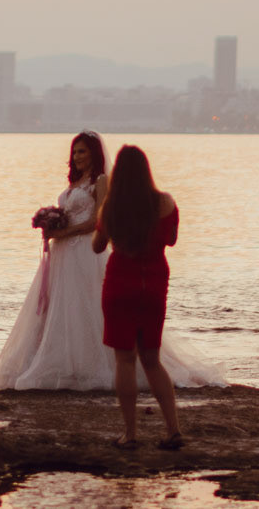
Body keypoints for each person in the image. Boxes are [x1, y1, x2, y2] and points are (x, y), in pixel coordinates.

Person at [0, 134, 221, 396]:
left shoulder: (101, 181)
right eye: (74, 152)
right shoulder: (75, 182)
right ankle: (65, 362)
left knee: (86, 307)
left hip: (85, 253)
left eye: (82, 152)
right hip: (63, 254)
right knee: (63, 308)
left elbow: (95, 223)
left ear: (94, 154)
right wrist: (54, 222)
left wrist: (62, 233)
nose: (77, 157)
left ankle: (95, 367)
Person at [92, 144, 186, 450]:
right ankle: (173, 430)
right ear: (147, 171)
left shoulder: (111, 207)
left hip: (120, 283)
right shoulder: (166, 203)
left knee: (125, 360)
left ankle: (130, 434)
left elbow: (97, 245)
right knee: (152, 359)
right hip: (154, 284)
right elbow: (171, 240)